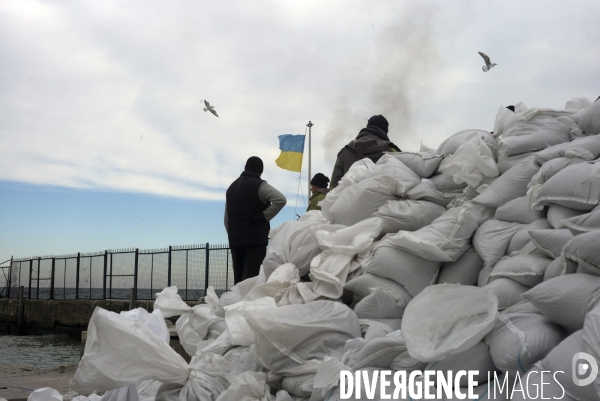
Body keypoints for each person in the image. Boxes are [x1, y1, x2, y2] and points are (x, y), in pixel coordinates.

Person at [224, 156, 287, 284]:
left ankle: (237, 303)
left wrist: (233, 235)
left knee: (239, 279)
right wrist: (265, 215)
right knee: (252, 279)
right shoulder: (259, 185)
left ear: (246, 168)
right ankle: (248, 304)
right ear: (260, 171)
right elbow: (281, 199)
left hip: (235, 240)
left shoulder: (231, 188)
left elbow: (227, 218)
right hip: (254, 239)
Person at [330, 115, 400, 188]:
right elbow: (403, 180)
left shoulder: (345, 151)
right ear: (385, 131)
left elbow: (334, 184)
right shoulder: (392, 151)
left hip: (348, 198)